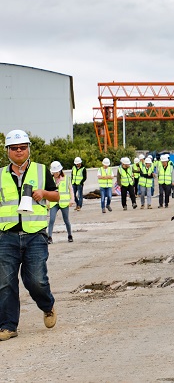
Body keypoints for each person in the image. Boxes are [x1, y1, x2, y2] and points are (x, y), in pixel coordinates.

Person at [0, 129, 59, 341]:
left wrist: (44, 193)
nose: (19, 151)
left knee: (36, 280)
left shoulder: (41, 170)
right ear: (7, 150)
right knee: (5, 283)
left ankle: (47, 306)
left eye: (22, 147)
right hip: (7, 236)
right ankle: (8, 326)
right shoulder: (1, 175)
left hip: (35, 235)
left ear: (28, 149)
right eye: (14, 148)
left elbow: (56, 196)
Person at [48, 161, 74, 244]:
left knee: (66, 220)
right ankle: (49, 237)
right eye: (54, 172)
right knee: (51, 220)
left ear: (60, 171)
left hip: (64, 203)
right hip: (54, 203)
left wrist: (72, 199)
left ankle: (70, 235)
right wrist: (47, 202)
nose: (55, 173)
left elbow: (71, 190)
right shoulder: (50, 180)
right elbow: (47, 191)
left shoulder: (66, 179)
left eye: (57, 172)